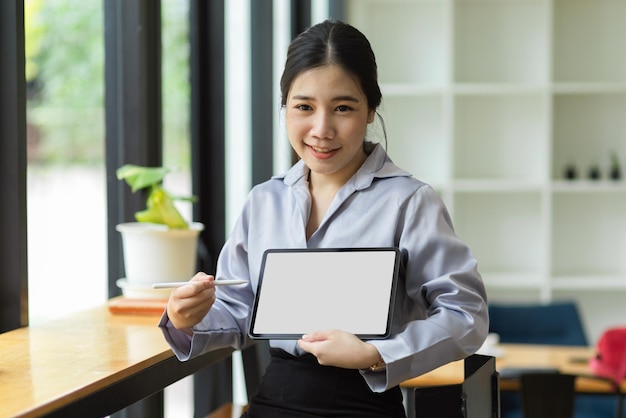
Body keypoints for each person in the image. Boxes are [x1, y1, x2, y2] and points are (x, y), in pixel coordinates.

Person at [159, 19, 488, 418]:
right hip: (273, 399)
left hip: (363, 403)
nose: (321, 129)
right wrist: (185, 318)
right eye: (303, 107)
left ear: (371, 109)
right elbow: (236, 307)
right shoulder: (265, 201)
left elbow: (466, 315)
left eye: (343, 108)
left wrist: (375, 353)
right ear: (285, 108)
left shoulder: (410, 201)